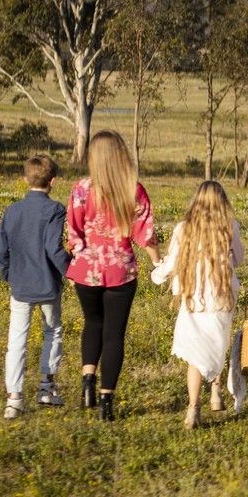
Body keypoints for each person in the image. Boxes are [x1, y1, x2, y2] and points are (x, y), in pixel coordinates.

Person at [65, 129, 158, 421]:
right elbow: (145, 234)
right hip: (121, 271)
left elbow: (74, 233)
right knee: (114, 334)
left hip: (87, 270)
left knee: (92, 323)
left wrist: (76, 257)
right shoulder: (134, 189)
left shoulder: (80, 189)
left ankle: (88, 381)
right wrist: (158, 261)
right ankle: (107, 401)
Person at [152, 180, 246, 428]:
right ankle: (215, 394)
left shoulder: (184, 228)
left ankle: (193, 407)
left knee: (195, 355)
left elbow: (172, 261)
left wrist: (157, 274)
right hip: (221, 296)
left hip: (193, 298)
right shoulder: (228, 226)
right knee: (218, 346)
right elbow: (239, 258)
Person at [0, 154, 71, 419]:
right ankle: (46, 387)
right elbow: (53, 247)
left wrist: (8, 275)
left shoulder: (12, 210)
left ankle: (14, 398)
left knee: (17, 341)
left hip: (21, 285)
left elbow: (0, 248)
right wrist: (70, 270)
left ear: (25, 179)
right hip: (48, 284)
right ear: (53, 181)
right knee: (53, 332)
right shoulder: (56, 209)